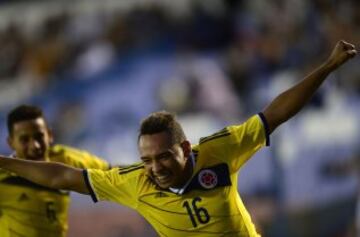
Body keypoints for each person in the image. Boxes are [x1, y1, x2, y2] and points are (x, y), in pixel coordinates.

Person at [0, 40, 357, 236]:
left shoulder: (220, 151)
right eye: (148, 160)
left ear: (186, 148)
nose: (156, 168)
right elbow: (63, 176)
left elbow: (275, 114)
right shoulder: (133, 182)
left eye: (164, 157)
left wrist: (326, 67)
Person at [0, 105, 110, 237]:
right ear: (11, 143)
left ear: (50, 135)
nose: (34, 146)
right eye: (24, 140)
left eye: (39, 136)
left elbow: (113, 173)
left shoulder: (65, 159)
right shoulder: (3, 177)